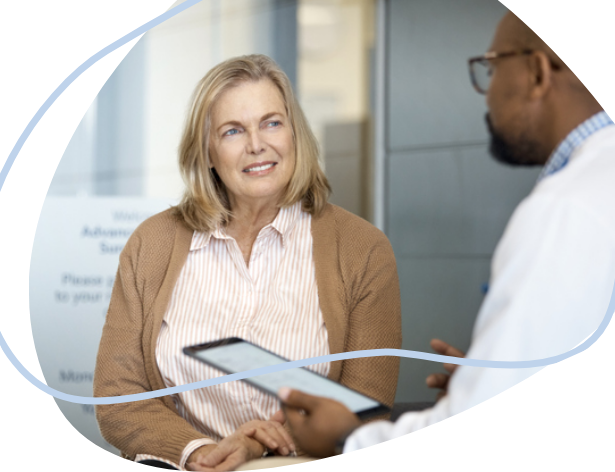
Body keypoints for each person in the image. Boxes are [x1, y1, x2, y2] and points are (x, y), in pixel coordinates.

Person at [276, 11, 615, 457]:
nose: (486, 94)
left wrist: (348, 438)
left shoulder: (564, 208)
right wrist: (483, 380)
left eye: (492, 68)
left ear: (536, 73)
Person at [93, 54, 402, 471]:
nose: (257, 144)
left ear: (296, 134)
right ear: (207, 151)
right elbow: (117, 396)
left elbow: (368, 407)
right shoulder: (152, 243)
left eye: (272, 122)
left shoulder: (362, 249)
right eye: (233, 130)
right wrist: (201, 450)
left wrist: (259, 445)